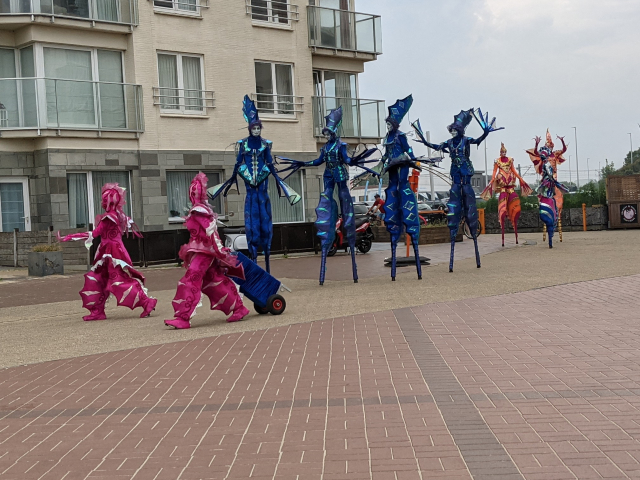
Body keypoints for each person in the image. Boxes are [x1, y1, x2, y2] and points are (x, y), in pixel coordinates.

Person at [276, 107, 377, 285]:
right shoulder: (325, 147)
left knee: (345, 201)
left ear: (334, 132)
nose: (326, 135)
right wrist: (303, 163)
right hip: (329, 176)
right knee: (327, 201)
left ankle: (348, 228)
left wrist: (354, 161)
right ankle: (328, 230)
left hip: (340, 175)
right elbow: (318, 161)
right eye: (325, 133)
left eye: (328, 132)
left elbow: (346, 159)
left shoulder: (341, 145)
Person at [208, 95, 300, 273]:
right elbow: (238, 164)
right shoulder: (243, 144)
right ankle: (254, 260)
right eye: (254, 128)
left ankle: (266, 262)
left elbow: (270, 164)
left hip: (263, 189)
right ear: (250, 128)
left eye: (259, 128)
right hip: (250, 189)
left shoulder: (266, 144)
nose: (257, 131)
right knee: (252, 223)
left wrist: (280, 181)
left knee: (265, 221)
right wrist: (231, 179)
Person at [413, 108, 502, 272]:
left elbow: (477, 140)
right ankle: (454, 233)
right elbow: (436, 146)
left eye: (455, 129)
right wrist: (424, 142)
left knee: (470, 207)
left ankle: (473, 234)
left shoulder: (466, 140)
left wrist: (486, 133)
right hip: (455, 177)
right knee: (453, 206)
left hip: (466, 177)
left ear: (459, 130)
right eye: (451, 129)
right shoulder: (448, 143)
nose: (453, 132)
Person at [58, 183, 157, 321]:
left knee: (118, 281)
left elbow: (95, 233)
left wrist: (70, 237)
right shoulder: (119, 216)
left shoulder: (109, 217)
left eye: (104, 200)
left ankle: (146, 302)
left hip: (112, 253)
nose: (102, 203)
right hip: (108, 253)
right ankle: (97, 310)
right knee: (99, 280)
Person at [164, 173, 249, 330]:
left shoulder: (199, 210)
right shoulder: (201, 209)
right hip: (202, 251)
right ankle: (239, 308)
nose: (192, 193)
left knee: (190, 280)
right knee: (213, 280)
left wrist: (220, 250)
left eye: (193, 191)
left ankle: (183, 317)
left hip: (204, 253)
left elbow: (211, 231)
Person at [481, 143, 532, 246]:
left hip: (511, 189)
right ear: (500, 152)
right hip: (503, 189)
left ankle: (516, 232)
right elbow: (495, 172)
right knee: (502, 211)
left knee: (516, 206)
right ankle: (503, 235)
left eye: (504, 152)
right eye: (502, 152)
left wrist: (520, 178)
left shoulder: (510, 160)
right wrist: (491, 181)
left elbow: (513, 170)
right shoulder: (497, 161)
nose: (503, 153)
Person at [527, 130, 567, 243]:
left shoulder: (555, 154)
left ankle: (554, 218)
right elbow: (536, 152)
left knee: (557, 193)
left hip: (554, 178)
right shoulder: (544, 158)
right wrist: (536, 144)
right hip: (546, 179)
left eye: (550, 144)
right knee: (543, 191)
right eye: (548, 143)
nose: (549, 145)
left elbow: (564, 150)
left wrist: (563, 142)